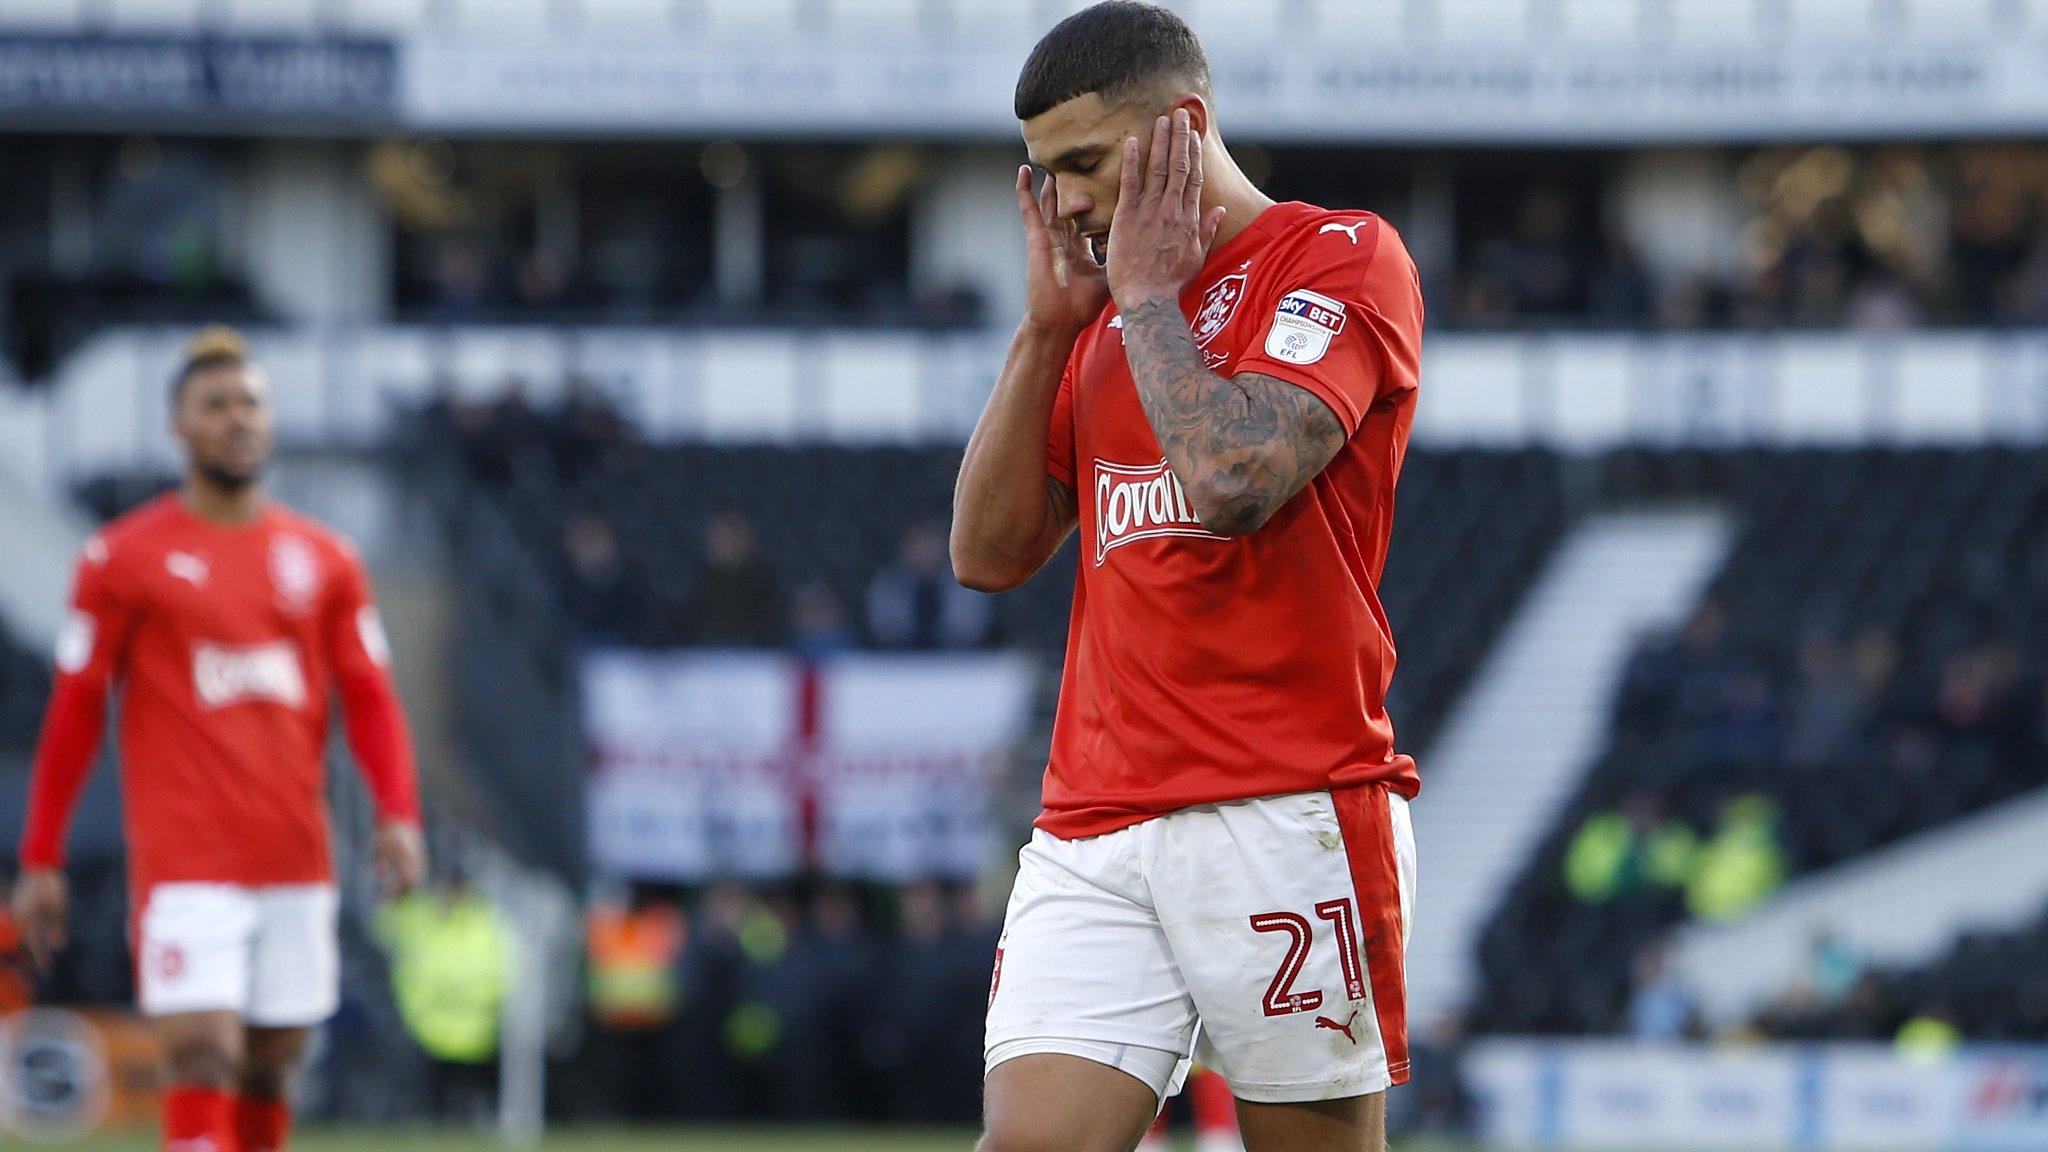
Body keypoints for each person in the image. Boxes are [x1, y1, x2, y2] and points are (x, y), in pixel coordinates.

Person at [949, 6, 1425, 1151]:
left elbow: (1229, 476)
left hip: (1280, 804)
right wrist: (1046, 335)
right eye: (1043, 175)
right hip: (1094, 822)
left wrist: (1150, 298)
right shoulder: (1101, 321)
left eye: (1083, 163)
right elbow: (987, 555)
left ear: (1183, 128)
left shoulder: (1339, 257)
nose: (1064, 203)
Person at [10, 327, 427, 1152]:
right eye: (217, 405)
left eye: (251, 404)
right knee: (202, 1050)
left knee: (271, 1069)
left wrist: (399, 813)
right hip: (185, 862)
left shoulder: (327, 560)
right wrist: (42, 854)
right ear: (180, 429)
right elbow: (75, 709)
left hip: (292, 857)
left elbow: (370, 698)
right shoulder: (122, 559)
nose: (239, 419)